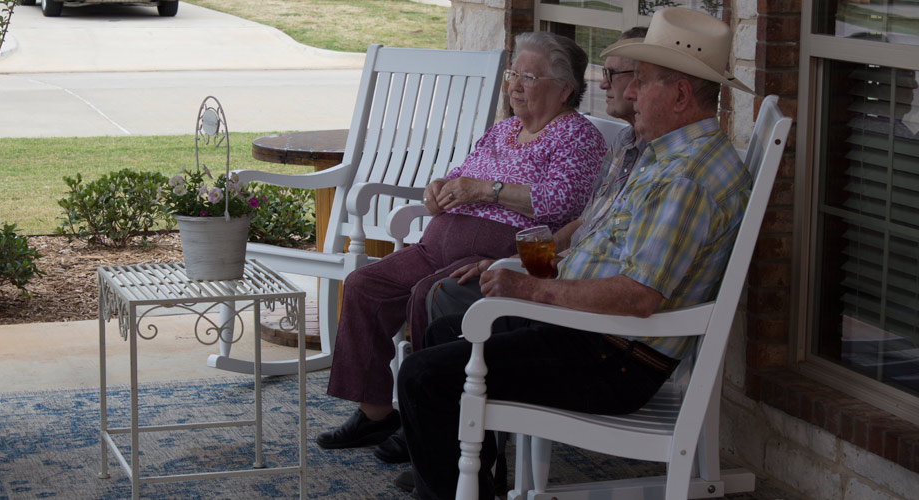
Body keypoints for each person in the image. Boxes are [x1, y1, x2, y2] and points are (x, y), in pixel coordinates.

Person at [397, 8, 755, 499]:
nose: (627, 92)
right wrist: (522, 267)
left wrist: (529, 287)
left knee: (423, 376)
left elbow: (637, 297)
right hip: (589, 330)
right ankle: (473, 488)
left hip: (612, 358)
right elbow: (600, 240)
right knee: (442, 334)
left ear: (679, 95)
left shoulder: (685, 179)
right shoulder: (663, 153)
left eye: (641, 81)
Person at [316, 31, 608, 461]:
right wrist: (437, 191)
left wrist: (487, 190)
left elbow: (559, 203)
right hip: (437, 242)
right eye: (513, 75)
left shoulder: (576, 137)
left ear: (564, 88)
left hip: (504, 250)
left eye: (529, 76)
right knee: (364, 284)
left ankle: (431, 428)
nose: (515, 86)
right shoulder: (502, 130)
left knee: (427, 296)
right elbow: (460, 177)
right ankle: (376, 414)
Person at [425, 26, 650, 328]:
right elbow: (588, 222)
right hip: (558, 274)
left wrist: (526, 278)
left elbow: (567, 208)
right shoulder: (626, 145)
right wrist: (524, 261)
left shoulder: (667, 167)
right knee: (382, 288)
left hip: (580, 308)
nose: (602, 85)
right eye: (513, 76)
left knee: (440, 298)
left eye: (613, 75)